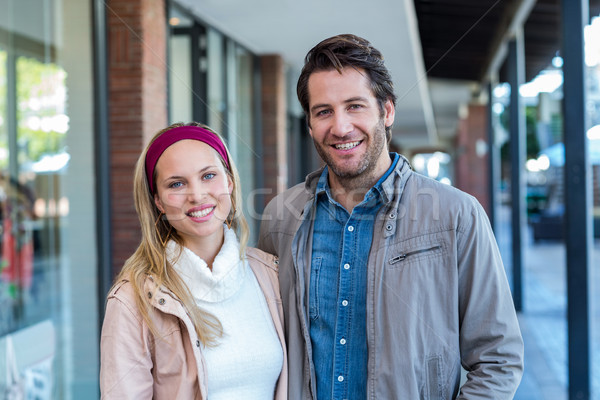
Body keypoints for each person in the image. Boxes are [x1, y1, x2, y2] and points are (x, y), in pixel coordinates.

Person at [258, 34, 523, 399]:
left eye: (355, 106)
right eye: (323, 111)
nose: (340, 127)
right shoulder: (280, 219)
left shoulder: (456, 215)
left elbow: (497, 357)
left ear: (387, 111)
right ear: (309, 124)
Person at [100, 122, 287, 399]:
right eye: (177, 184)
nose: (197, 195)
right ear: (159, 202)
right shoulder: (132, 300)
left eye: (208, 176)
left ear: (230, 183)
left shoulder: (270, 273)